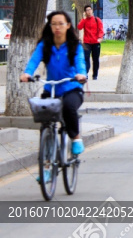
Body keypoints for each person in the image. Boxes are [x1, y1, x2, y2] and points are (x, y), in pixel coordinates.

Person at [20, 11, 88, 163]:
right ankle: (47, 164)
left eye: (61, 24)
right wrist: (27, 73)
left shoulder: (74, 46)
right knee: (44, 118)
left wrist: (81, 74)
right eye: (54, 24)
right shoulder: (45, 45)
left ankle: (76, 138)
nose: (57, 27)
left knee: (69, 107)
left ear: (68, 25)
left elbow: (80, 62)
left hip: (72, 88)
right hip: (51, 89)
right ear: (50, 26)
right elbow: (34, 60)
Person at [77, 5, 104, 80]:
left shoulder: (97, 19)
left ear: (92, 10)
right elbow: (79, 27)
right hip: (87, 43)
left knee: (95, 59)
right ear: (85, 12)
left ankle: (95, 75)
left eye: (90, 10)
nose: (89, 11)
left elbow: (101, 30)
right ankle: (85, 73)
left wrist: (100, 38)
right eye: (87, 10)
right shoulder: (84, 20)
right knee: (86, 58)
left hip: (96, 42)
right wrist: (83, 19)